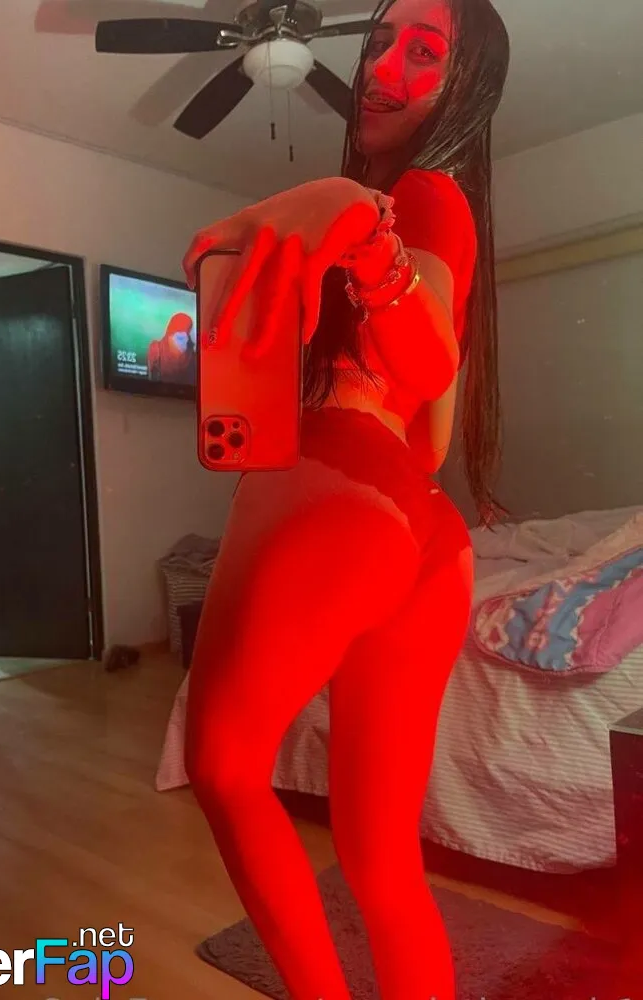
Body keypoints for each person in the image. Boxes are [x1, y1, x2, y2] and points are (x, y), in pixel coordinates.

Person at [181, 0, 510, 998]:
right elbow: (433, 431)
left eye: (425, 51)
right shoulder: (447, 211)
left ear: (466, 85)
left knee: (224, 765)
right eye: (380, 42)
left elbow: (426, 358)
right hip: (426, 532)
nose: (383, 67)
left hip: (337, 486)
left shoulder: (415, 196)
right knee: (381, 859)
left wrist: (360, 232)